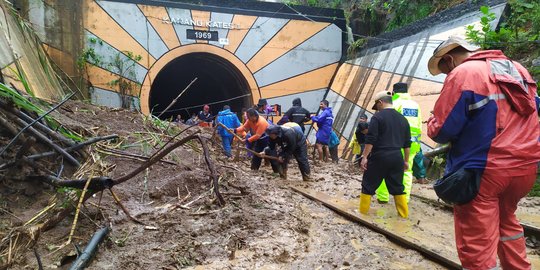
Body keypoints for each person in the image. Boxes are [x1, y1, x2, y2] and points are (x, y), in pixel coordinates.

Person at [426, 36, 540, 269]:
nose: (447, 76)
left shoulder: (464, 73)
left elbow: (442, 130)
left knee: (476, 240)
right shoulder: (518, 69)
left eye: (445, 70)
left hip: (484, 170)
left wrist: (431, 121)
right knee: (507, 223)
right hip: (525, 168)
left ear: (449, 59)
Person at [359, 91, 411, 218]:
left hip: (380, 156)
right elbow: (407, 143)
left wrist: (365, 157)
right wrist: (405, 161)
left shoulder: (377, 117)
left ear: (380, 102)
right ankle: (403, 216)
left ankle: (362, 214)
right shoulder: (403, 119)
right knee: (398, 187)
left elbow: (371, 139)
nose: (377, 110)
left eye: (377, 106)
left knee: (368, 185)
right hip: (397, 157)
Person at [376, 82, 422, 203]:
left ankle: (383, 197)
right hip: (412, 144)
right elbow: (419, 125)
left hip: (394, 143)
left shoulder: (394, 103)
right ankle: (404, 199)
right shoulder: (415, 105)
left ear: (394, 93)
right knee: (407, 171)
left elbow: (388, 122)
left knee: (385, 169)